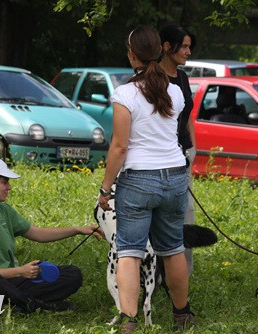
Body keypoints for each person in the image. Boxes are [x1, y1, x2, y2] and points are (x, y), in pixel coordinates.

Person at [97, 26, 195, 332]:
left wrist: (105, 188)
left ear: (131, 54)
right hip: (176, 178)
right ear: (159, 51)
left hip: (138, 181)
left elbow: (120, 146)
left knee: (129, 251)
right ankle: (182, 314)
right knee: (173, 249)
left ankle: (129, 320)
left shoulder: (125, 94)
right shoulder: (175, 91)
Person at [0, 156, 102, 314]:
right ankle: (36, 305)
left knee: (72, 274)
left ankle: (16, 303)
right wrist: (20, 271)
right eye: (4, 182)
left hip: (10, 281)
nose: (9, 187)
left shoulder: (5, 211)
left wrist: (77, 230)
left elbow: (38, 233)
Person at [159, 24, 197, 274]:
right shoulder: (153, 78)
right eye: (183, 46)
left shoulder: (182, 78)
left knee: (187, 214)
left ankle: (183, 272)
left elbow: (187, 116)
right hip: (161, 159)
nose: (188, 51)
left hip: (184, 154)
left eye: (189, 46)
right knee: (162, 216)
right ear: (166, 47)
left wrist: (194, 148)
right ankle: (157, 272)